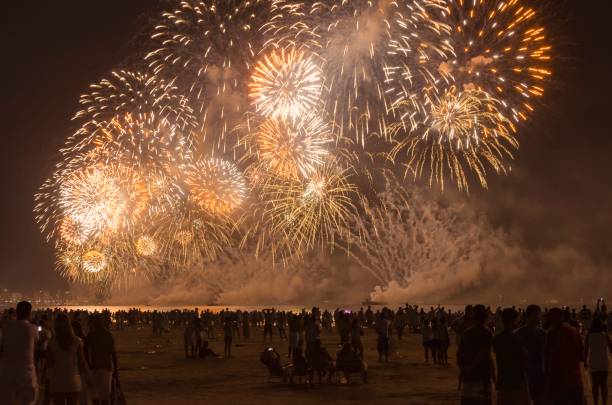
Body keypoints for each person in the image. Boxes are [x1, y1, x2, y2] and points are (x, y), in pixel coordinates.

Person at [47, 314, 91, 405]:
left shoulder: (52, 342)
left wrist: (47, 383)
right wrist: (89, 377)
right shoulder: (77, 341)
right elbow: (82, 363)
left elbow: (49, 365)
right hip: (73, 379)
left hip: (57, 380)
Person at [0, 301, 38, 405]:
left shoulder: (7, 327)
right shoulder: (32, 328)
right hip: (26, 371)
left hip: (7, 370)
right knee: (27, 401)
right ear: (29, 313)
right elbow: (37, 339)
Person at [546, 307, 584, 405]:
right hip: (575, 378)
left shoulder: (552, 334)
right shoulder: (574, 331)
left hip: (559, 380)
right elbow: (581, 355)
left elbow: (548, 357)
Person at [457, 304, 494, 405]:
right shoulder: (487, 333)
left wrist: (464, 369)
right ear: (485, 317)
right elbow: (486, 355)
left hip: (469, 377)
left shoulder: (466, 333)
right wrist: (494, 378)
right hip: (482, 376)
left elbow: (459, 354)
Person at [492, 308, 530, 405]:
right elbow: (524, 360)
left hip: (503, 380)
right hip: (516, 381)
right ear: (513, 321)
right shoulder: (518, 340)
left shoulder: (497, 339)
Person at [516, 305, 546, 405]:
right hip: (525, 375)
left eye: (539, 315)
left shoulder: (542, 333)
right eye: (536, 315)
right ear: (528, 316)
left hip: (539, 374)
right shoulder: (519, 333)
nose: (538, 317)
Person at [85, 314, 117, 405]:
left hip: (99, 368)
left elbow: (84, 349)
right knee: (102, 397)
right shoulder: (106, 335)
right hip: (103, 368)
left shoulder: (93, 335)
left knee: (98, 397)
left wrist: (88, 363)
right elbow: (113, 354)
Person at [585, 318, 612, 405]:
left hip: (593, 361)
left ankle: (596, 402)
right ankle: (604, 402)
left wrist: (585, 361)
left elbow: (585, 350)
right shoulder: (605, 335)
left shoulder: (588, 336)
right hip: (604, 360)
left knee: (595, 385)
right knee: (604, 384)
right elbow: (611, 348)